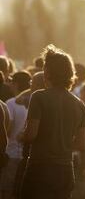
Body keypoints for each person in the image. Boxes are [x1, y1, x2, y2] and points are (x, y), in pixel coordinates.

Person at [21, 45, 85, 199]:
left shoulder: (39, 97)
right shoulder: (79, 104)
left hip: (40, 168)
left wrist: (20, 136)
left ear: (48, 72)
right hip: (65, 170)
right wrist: (62, 144)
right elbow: (82, 144)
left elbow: (31, 135)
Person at [0, 71, 31, 199]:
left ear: (16, 84)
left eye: (12, 81)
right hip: (24, 155)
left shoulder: (12, 103)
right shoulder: (31, 102)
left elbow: (8, 128)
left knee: (5, 190)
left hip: (11, 152)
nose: (10, 84)